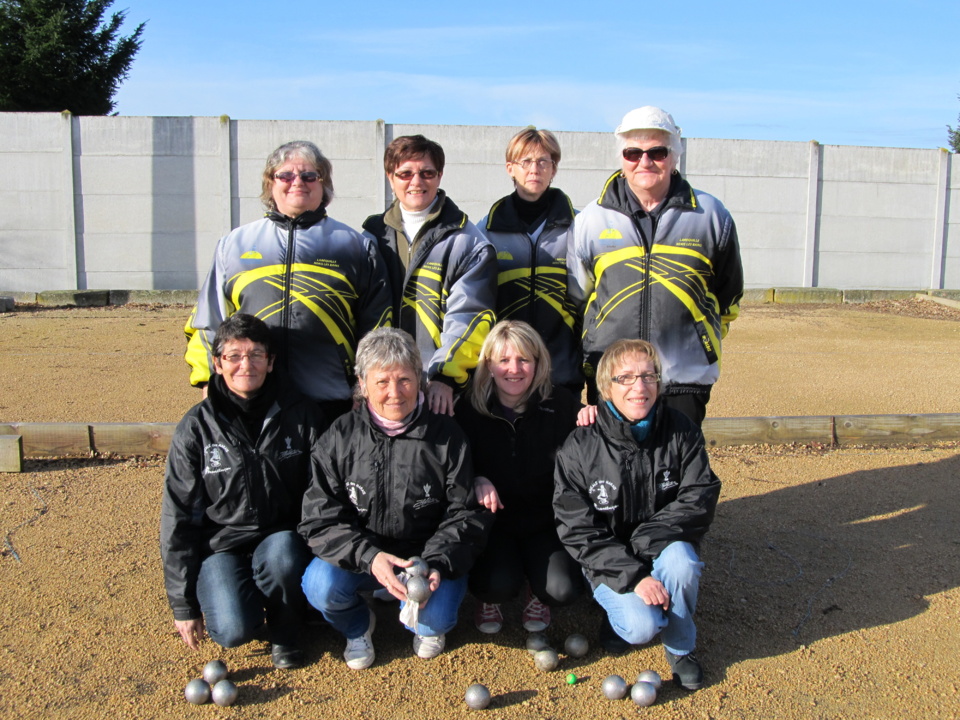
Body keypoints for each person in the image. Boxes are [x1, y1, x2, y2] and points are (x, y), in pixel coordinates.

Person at [299, 328, 492, 669]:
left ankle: (427, 621)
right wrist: (370, 557)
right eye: (382, 381)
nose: (394, 393)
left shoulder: (447, 435)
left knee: (437, 620)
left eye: (404, 379)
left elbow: (464, 513)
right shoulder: (339, 437)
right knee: (319, 586)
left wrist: (436, 561)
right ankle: (359, 625)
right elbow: (320, 518)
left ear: (420, 378)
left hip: (428, 556)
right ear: (361, 382)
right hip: (368, 555)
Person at [161, 313, 327, 669]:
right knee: (233, 630)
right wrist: (183, 605)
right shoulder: (195, 428)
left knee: (283, 554)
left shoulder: (302, 414)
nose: (245, 364)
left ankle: (286, 631)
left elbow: (321, 493)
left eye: (255, 354)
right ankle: (247, 602)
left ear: (271, 361)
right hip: (221, 545)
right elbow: (178, 518)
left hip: (282, 538)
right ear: (218, 364)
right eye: (234, 356)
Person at [553, 339, 720, 690]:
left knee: (682, 565)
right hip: (607, 560)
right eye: (625, 378)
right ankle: (616, 614)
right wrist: (633, 576)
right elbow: (577, 529)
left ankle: (680, 647)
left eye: (648, 376)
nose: (639, 388)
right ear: (605, 388)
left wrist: (644, 543)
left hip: (661, 545)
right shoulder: (580, 447)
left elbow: (699, 496)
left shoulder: (682, 430)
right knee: (640, 627)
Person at [185, 140, 392, 419]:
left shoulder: (355, 247)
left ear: (324, 185)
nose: (298, 182)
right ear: (271, 183)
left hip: (332, 403)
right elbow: (207, 322)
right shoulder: (233, 245)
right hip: (251, 401)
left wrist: (364, 386)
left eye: (310, 176)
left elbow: (377, 328)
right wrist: (208, 378)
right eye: (286, 175)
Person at [567, 107, 743, 426]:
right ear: (621, 158)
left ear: (674, 155)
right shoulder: (591, 220)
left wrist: (702, 340)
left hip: (683, 378)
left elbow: (729, 297)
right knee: (616, 470)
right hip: (613, 376)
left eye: (657, 152)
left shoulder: (711, 216)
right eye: (633, 152)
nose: (644, 162)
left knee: (674, 472)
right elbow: (578, 296)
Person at [454, 320, 583, 635]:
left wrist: (591, 417)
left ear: (538, 363)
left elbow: (588, 455)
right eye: (504, 360)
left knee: (561, 589)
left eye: (524, 359)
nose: (514, 369)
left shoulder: (563, 404)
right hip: (494, 525)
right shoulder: (468, 409)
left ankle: (536, 591)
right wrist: (475, 479)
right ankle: (493, 595)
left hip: (545, 523)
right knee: (495, 584)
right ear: (489, 365)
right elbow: (452, 466)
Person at [362, 134, 497, 417]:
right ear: (390, 177)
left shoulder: (468, 242)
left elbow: (469, 316)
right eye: (405, 173)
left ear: (439, 176)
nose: (416, 182)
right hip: (383, 387)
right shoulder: (371, 237)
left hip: (437, 391)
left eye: (427, 173)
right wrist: (365, 378)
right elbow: (361, 315)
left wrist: (445, 377)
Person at [477, 128, 582, 394]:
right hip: (507, 372)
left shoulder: (579, 226)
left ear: (554, 169)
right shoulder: (485, 230)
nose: (534, 169)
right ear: (510, 168)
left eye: (543, 161)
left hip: (562, 369)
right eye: (526, 161)